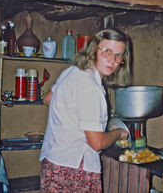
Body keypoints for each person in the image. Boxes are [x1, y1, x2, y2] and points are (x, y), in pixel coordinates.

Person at [39, 28, 132, 192]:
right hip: (75, 169)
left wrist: (77, 121)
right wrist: (119, 133)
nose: (112, 60)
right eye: (107, 51)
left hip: (53, 163)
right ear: (94, 50)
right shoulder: (91, 87)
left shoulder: (74, 70)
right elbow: (97, 143)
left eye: (118, 55)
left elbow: (48, 99)